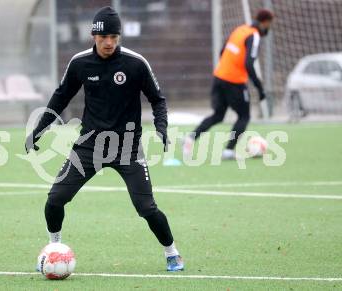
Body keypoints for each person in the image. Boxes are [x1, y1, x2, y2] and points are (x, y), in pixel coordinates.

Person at [26, 6, 184, 272]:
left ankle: (172, 253)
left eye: (114, 37)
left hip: (128, 148)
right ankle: (54, 247)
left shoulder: (135, 63)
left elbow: (157, 100)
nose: (109, 42)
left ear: (119, 36)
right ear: (93, 36)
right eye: (103, 38)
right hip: (90, 146)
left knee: (146, 207)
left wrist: (162, 127)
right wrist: (39, 129)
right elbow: (60, 97)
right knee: (55, 199)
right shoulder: (80, 63)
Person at [183, 9, 274, 159]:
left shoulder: (240, 30)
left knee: (218, 115)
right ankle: (228, 151)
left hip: (219, 76)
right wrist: (259, 88)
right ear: (265, 22)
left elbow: (223, 50)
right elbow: (249, 64)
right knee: (244, 117)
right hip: (234, 81)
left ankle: (190, 138)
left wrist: (227, 67)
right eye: (270, 24)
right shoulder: (254, 35)